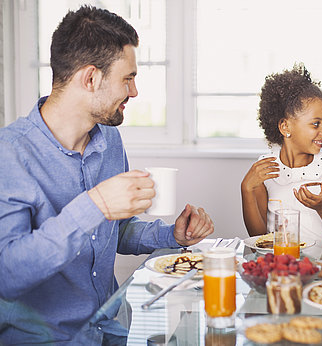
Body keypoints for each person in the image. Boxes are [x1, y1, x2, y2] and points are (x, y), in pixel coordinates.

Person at [0, 6, 214, 344]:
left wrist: (172, 235)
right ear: (90, 78)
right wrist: (94, 205)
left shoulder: (109, 139)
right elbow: (7, 275)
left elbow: (113, 231)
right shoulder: (9, 153)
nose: (134, 91)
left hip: (107, 327)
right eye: (127, 78)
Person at [241, 64, 322, 255]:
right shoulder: (264, 170)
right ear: (285, 127)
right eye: (316, 124)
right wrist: (246, 189)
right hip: (278, 267)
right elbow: (258, 238)